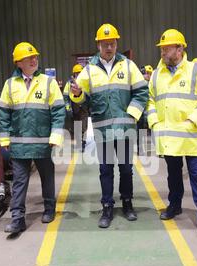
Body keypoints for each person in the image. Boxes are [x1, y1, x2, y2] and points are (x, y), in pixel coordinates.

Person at [70, 23, 148, 228]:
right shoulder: (88, 70)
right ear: (98, 45)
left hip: (124, 129)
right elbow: (82, 99)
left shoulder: (129, 66)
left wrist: (131, 115)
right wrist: (77, 94)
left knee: (126, 170)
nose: (109, 48)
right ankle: (107, 207)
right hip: (103, 130)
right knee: (105, 170)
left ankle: (128, 204)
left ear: (116, 44)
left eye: (112, 43)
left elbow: (142, 92)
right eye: (105, 44)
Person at [147, 29, 197, 235]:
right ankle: (174, 205)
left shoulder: (196, 71)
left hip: (192, 135)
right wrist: (154, 123)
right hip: (169, 136)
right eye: (161, 49)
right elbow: (150, 100)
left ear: (179, 48)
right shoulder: (157, 75)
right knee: (173, 175)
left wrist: (193, 120)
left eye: (166, 48)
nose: (162, 52)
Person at [0, 42, 66, 233]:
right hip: (19, 145)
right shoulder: (10, 85)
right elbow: (3, 114)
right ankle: (17, 218)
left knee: (47, 176)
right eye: (30, 57)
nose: (34, 60)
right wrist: (4, 140)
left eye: (35, 56)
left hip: (43, 142)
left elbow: (59, 111)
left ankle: (49, 208)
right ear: (19, 62)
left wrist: (55, 136)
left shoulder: (48, 82)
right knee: (20, 181)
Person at [63, 64, 89, 152]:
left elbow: (89, 96)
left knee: (84, 127)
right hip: (74, 109)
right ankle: (79, 142)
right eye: (77, 73)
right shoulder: (69, 84)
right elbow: (66, 97)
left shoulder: (86, 82)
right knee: (76, 126)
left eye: (81, 73)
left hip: (84, 108)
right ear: (74, 74)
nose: (79, 75)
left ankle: (83, 142)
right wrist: (68, 108)